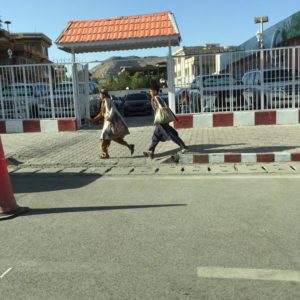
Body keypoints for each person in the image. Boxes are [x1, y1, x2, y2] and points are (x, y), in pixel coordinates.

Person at [143, 83, 188, 159]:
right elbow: (166, 108)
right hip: (160, 121)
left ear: (155, 91)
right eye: (150, 91)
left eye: (151, 91)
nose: (150, 92)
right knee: (156, 136)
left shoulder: (156, 98)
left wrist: (174, 117)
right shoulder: (156, 98)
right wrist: (174, 117)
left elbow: (165, 109)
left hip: (161, 122)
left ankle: (183, 147)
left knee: (170, 134)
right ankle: (151, 152)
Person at [90, 89, 134, 159]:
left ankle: (105, 154)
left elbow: (109, 111)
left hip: (110, 124)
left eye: (100, 94)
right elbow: (102, 114)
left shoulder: (107, 101)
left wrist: (107, 117)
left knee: (103, 139)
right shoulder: (104, 101)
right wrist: (93, 119)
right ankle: (129, 146)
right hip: (110, 123)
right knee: (116, 139)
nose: (99, 96)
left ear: (103, 95)